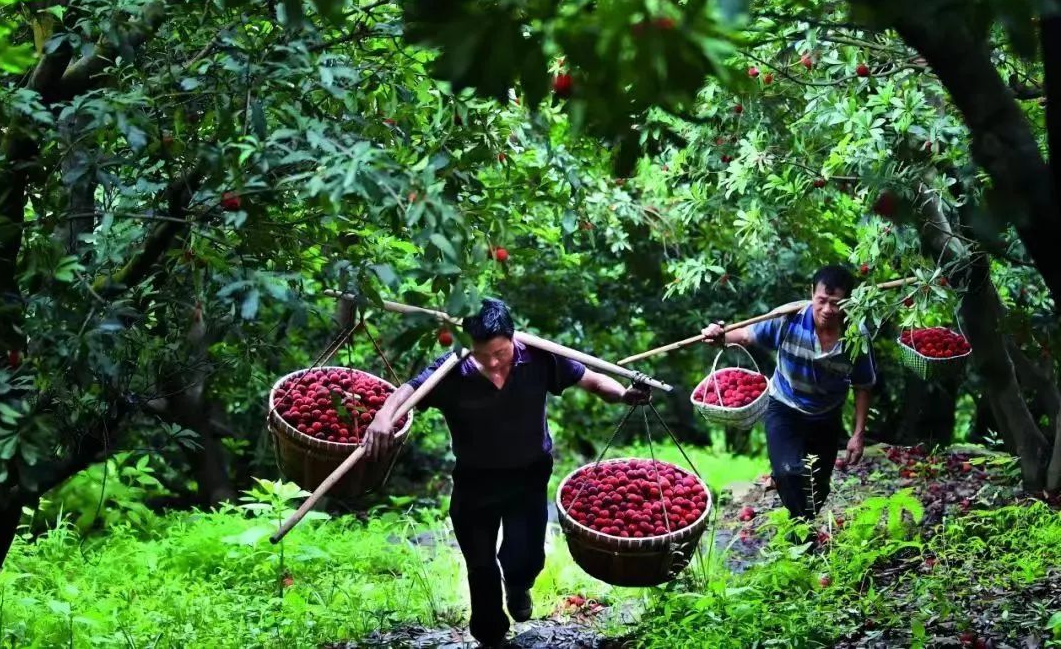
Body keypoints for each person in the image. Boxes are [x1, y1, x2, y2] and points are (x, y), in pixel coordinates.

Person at [365, 298, 650, 649]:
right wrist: (382, 416)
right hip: (475, 480)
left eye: (500, 352)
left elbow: (592, 381)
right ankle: (491, 636)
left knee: (526, 555)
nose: (493, 362)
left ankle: (519, 585)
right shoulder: (450, 369)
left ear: (513, 339)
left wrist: (624, 394)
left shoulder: (541, 357)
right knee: (479, 564)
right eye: (482, 355)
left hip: (529, 475)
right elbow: (407, 391)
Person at [701, 265, 876, 525]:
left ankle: (802, 529)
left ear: (849, 302)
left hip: (826, 415)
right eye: (822, 301)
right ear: (811, 294)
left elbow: (863, 385)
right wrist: (720, 336)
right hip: (785, 407)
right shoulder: (789, 319)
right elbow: (747, 335)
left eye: (836, 303)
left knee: (818, 486)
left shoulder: (854, 335)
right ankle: (802, 532)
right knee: (787, 473)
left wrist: (858, 434)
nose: (828, 310)